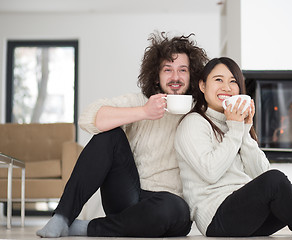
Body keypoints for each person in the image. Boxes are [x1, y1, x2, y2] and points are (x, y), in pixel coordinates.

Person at [36, 31, 208, 238]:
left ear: (192, 76)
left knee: (174, 207)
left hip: (168, 207)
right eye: (167, 70)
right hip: (127, 196)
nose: (175, 77)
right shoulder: (141, 102)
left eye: (183, 70)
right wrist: (144, 112)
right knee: (108, 135)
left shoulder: (200, 113)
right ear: (156, 75)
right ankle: (62, 217)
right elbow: (89, 118)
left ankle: (85, 228)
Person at [174, 57, 292, 238]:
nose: (226, 87)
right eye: (218, 79)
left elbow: (261, 174)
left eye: (233, 81)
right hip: (218, 219)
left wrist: (245, 132)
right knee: (275, 179)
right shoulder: (192, 123)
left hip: (252, 216)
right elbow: (211, 172)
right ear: (202, 85)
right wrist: (235, 129)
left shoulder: (235, 124)